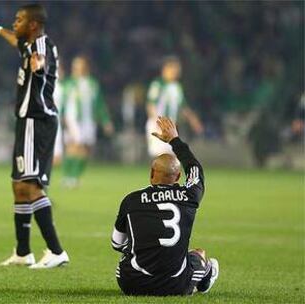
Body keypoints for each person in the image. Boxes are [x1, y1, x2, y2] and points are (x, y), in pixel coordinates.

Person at [0, 4, 69, 269]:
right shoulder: (27, 42)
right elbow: (14, 39)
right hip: (25, 121)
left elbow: (40, 63)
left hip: (37, 121)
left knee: (31, 186)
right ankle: (23, 252)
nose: (14, 22)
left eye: (19, 20)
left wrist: (38, 66)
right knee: (18, 185)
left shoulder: (40, 47)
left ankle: (56, 251)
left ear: (32, 24)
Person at [111, 116, 219, 296]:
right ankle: (206, 275)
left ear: (152, 172)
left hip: (133, 284)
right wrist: (175, 141)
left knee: (129, 257)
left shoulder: (131, 200)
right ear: (177, 177)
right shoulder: (189, 196)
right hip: (175, 285)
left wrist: (143, 242)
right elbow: (195, 170)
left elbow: (116, 243)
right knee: (199, 254)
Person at [62, 55, 113, 188]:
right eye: (76, 66)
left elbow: (100, 103)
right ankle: (68, 176)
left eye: (81, 65)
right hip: (73, 119)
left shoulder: (92, 83)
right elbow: (62, 102)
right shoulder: (69, 83)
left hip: (89, 120)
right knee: (75, 146)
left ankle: (75, 176)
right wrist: (61, 117)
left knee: (86, 149)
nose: (78, 68)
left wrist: (105, 121)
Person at [146, 56, 203, 157]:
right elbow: (150, 104)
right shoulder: (158, 84)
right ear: (165, 69)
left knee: (171, 159)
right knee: (160, 157)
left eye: (177, 69)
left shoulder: (177, 87)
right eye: (173, 68)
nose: (176, 72)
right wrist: (157, 122)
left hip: (171, 128)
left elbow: (183, 107)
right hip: (158, 125)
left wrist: (193, 120)